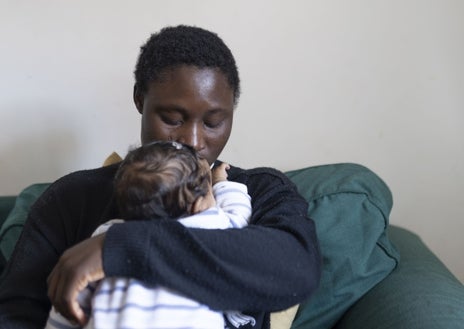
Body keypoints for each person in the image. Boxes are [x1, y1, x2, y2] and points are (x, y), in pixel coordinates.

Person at [0, 25, 321, 329]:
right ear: (140, 99)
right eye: (172, 118)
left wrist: (118, 249)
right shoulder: (73, 199)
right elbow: (17, 315)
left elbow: (296, 270)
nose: (193, 140)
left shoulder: (257, 191)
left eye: (213, 122)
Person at [45, 140, 253, 329]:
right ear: (199, 204)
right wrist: (221, 182)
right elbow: (238, 215)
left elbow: (71, 302)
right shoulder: (205, 226)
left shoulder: (106, 236)